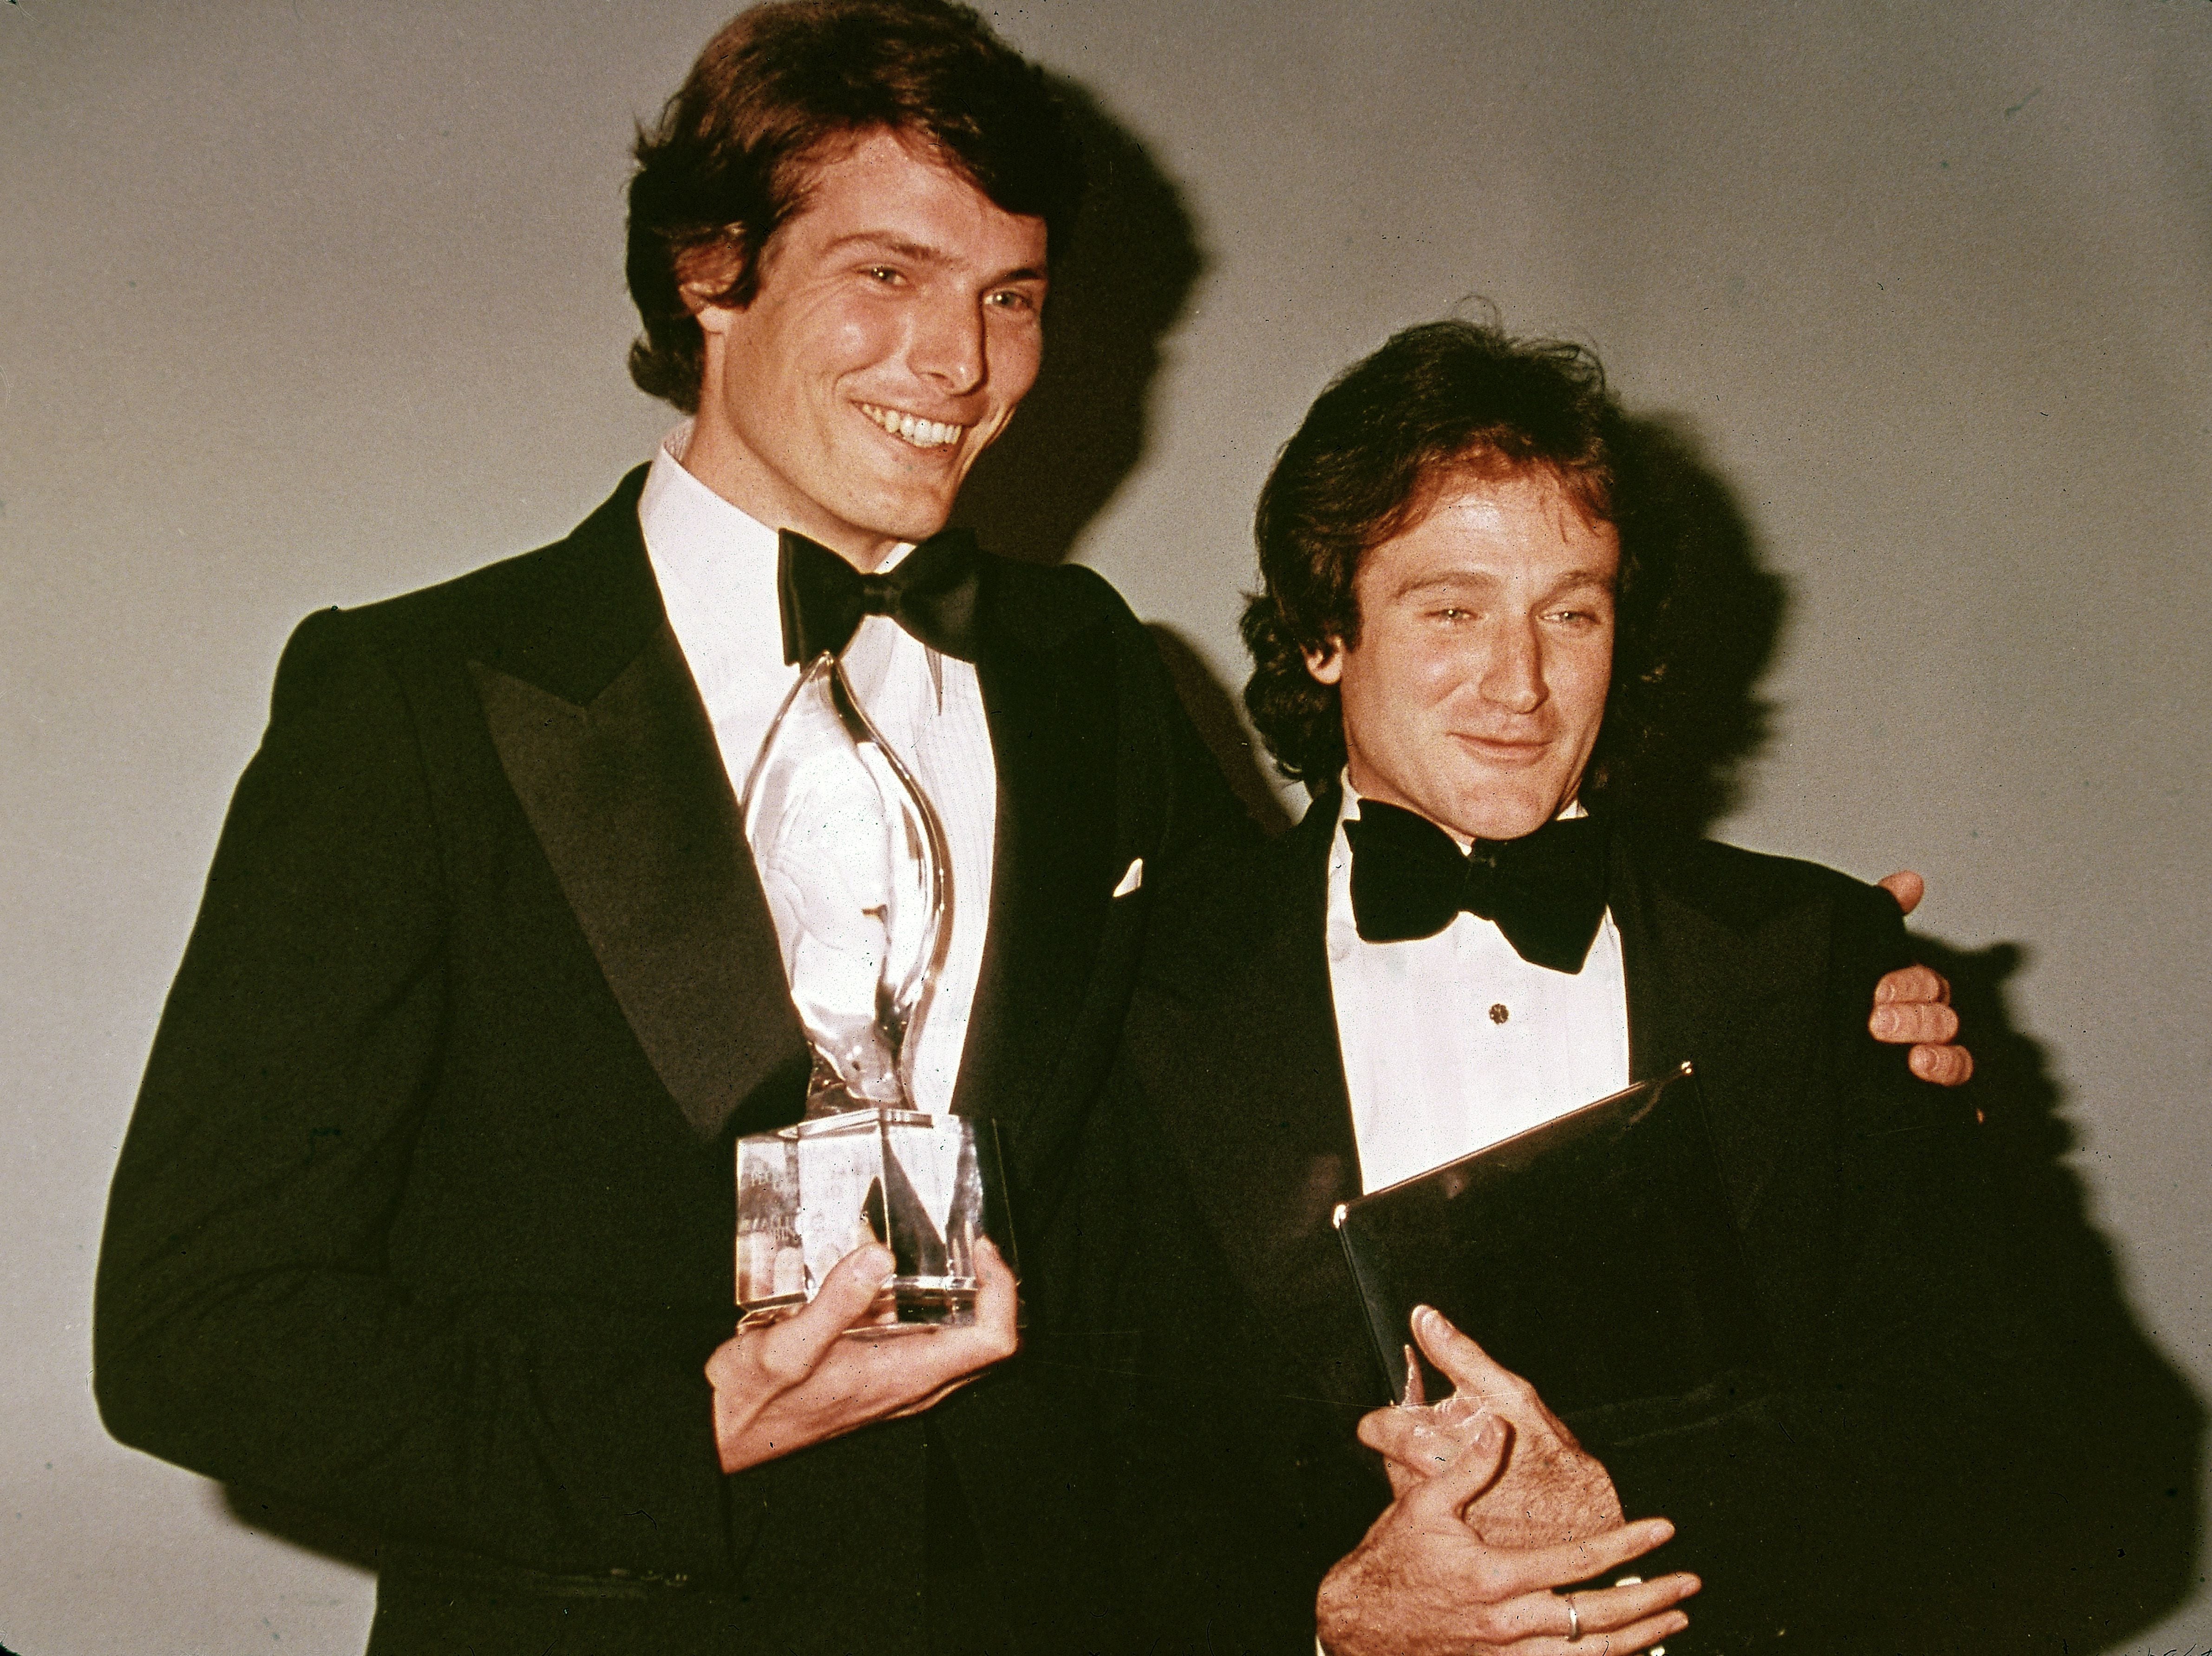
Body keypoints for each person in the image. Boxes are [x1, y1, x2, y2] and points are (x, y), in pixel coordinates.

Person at [90, 4, 1969, 1651]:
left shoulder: (1089, 675)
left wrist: (1812, 995)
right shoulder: (420, 699)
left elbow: (1323, 994)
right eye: (886, 277)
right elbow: (196, 1325)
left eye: (1011, 296)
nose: (960, 363)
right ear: (710, 269)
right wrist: (700, 1421)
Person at [1077, 318, 2023, 1653]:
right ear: (1318, 635)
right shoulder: (1134, 986)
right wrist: (1330, 1624)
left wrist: (1632, 1525)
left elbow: (2005, 1442)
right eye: (1451, 609)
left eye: (1569, 610)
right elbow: (1074, 1493)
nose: (1518, 685)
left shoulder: (1813, 957)